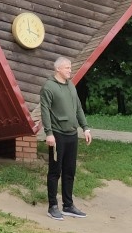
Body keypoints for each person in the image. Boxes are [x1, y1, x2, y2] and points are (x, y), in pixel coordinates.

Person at [39, 56, 92, 220]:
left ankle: (68, 205)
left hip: (72, 134)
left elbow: (78, 107)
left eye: (70, 67)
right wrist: (48, 133)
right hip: (57, 135)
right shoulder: (48, 87)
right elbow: (45, 111)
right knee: (55, 171)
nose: (70, 70)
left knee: (70, 171)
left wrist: (85, 127)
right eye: (67, 68)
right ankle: (52, 206)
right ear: (58, 69)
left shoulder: (71, 85)